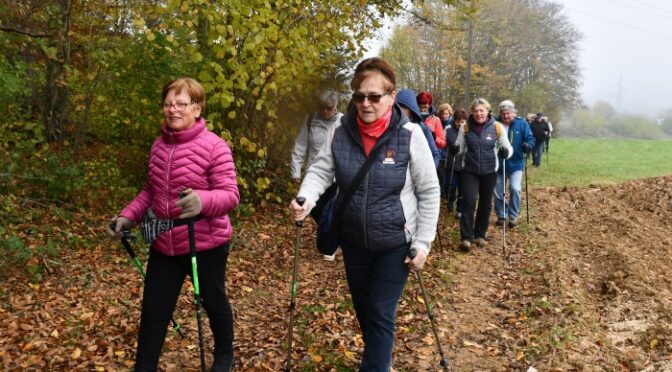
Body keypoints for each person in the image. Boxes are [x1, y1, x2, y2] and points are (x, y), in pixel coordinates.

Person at [289, 57, 440, 371]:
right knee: (364, 310)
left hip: (396, 244)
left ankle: (375, 365)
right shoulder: (340, 133)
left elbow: (429, 191)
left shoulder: (410, 135)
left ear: (391, 96)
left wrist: (423, 243)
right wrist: (305, 197)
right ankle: (379, 359)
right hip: (354, 241)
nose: (366, 103)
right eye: (360, 96)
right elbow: (320, 171)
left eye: (374, 96)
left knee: (380, 311)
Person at [105, 78, 239, 372]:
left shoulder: (215, 146)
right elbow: (150, 192)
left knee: (212, 299)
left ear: (197, 107)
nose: (173, 109)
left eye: (181, 103)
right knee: (154, 309)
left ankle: (225, 353)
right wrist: (128, 216)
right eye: (167, 104)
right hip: (164, 240)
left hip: (206, 241)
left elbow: (230, 194)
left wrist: (202, 201)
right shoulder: (158, 146)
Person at [291, 90, 344, 260]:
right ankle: (332, 235)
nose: (325, 112)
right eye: (322, 108)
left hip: (336, 176)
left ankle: (332, 241)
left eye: (329, 108)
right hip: (314, 174)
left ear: (336, 106)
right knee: (314, 209)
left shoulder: (344, 122)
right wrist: (296, 172)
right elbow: (300, 145)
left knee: (331, 210)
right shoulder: (310, 120)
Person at [455, 98, 512, 251]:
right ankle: (466, 237)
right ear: (472, 112)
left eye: (482, 110)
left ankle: (480, 234)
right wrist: (455, 150)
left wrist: (506, 152)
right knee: (469, 201)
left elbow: (508, 147)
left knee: (486, 204)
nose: (479, 113)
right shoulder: (465, 127)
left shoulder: (496, 127)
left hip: (489, 171)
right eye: (475, 111)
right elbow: (459, 147)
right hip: (469, 170)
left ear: (487, 111)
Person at [493, 100, 535, 227]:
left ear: (514, 113)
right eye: (503, 113)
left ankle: (513, 215)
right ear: (500, 113)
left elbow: (531, 139)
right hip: (498, 163)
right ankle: (501, 214)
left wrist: (528, 146)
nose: (506, 116)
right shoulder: (494, 124)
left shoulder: (522, 124)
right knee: (498, 191)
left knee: (515, 188)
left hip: (516, 163)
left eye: (508, 113)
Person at [395, 88, 442, 168]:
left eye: (405, 107)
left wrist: (428, 175)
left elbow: (436, 154)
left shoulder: (424, 126)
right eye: (398, 106)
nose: (401, 110)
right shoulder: (389, 126)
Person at [444, 107, 467, 217]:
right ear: (454, 120)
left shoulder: (468, 130)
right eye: (458, 121)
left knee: (463, 188)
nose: (460, 124)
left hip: (464, 164)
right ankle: (450, 202)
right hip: (451, 162)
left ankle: (460, 209)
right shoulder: (448, 129)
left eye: (462, 121)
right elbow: (442, 144)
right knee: (452, 186)